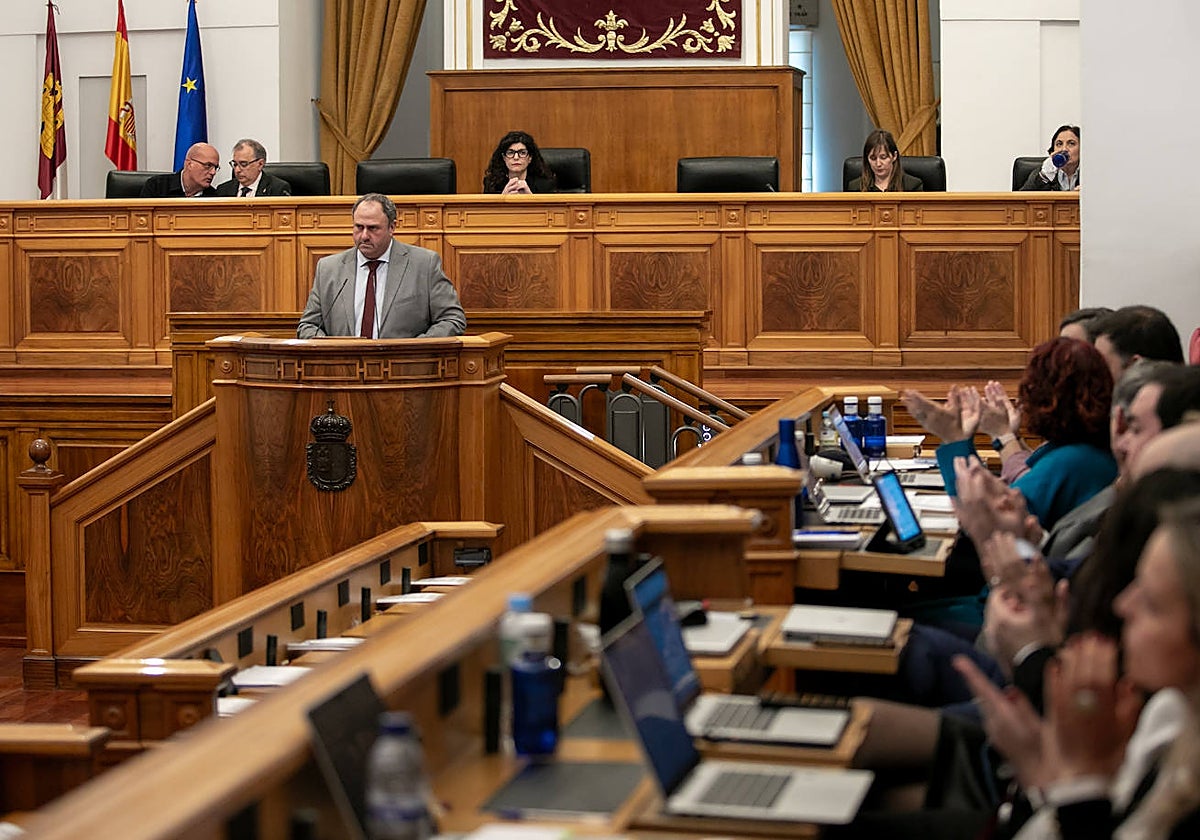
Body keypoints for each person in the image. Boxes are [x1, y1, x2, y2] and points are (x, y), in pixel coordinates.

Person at [297, 193, 466, 339]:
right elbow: (308, 326)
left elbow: (452, 319)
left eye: (373, 228)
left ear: (392, 227)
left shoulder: (424, 264)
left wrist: (417, 346)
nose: (364, 236)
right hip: (344, 370)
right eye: (359, 227)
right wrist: (327, 346)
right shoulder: (329, 268)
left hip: (403, 369)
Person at [848, 129, 924, 192]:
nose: (878, 164)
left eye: (883, 157)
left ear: (894, 156)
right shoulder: (855, 187)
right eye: (873, 158)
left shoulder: (912, 186)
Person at [482, 131, 556, 194]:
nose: (516, 157)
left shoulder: (545, 184)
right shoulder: (492, 183)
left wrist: (531, 199)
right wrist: (502, 199)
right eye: (510, 153)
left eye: (522, 153)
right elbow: (487, 210)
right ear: (504, 157)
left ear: (530, 158)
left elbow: (552, 209)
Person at [214, 139, 291, 197]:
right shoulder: (223, 190)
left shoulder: (277, 189)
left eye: (243, 164)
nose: (237, 170)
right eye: (235, 164)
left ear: (260, 164)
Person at [139, 142, 220, 198]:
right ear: (189, 164)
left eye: (215, 167)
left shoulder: (214, 197)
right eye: (208, 165)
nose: (213, 172)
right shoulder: (157, 186)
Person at [1020, 124, 1080, 191]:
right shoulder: (1044, 172)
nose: (1064, 149)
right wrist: (1044, 176)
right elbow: (1022, 198)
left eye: (1071, 143)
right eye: (1059, 144)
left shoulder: (1090, 173)